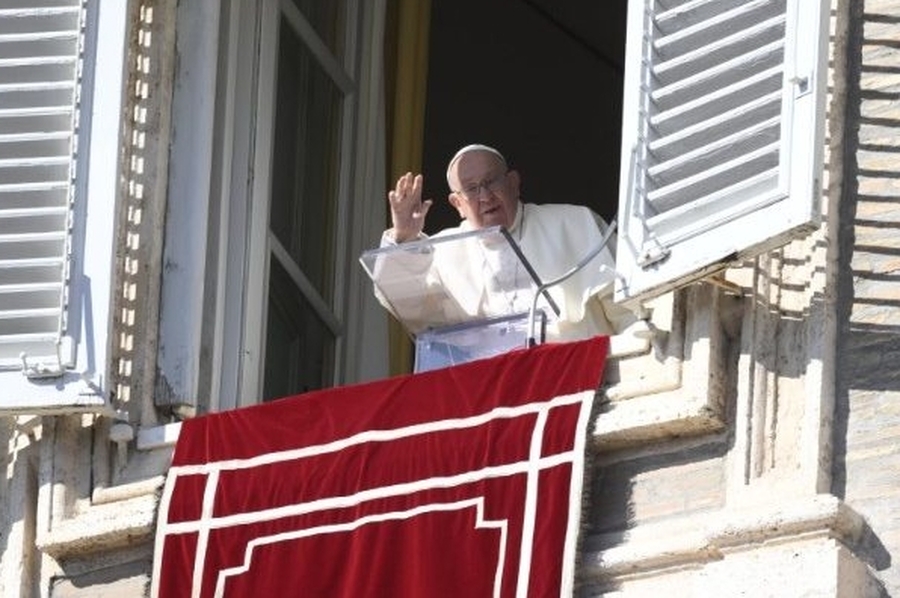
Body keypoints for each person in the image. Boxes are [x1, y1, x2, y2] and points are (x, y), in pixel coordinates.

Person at [373, 143, 636, 343]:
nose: (485, 196)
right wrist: (404, 239)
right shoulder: (442, 252)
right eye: (472, 188)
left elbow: (629, 311)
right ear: (458, 204)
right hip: (491, 393)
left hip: (583, 377)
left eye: (491, 182)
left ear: (513, 183)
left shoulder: (575, 223)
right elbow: (411, 311)